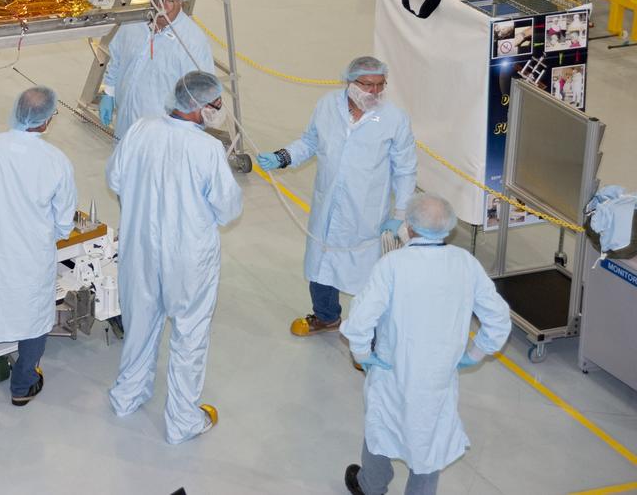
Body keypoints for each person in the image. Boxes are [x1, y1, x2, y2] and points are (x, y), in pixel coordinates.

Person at [341, 194, 511, 495]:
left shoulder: (393, 265)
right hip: (438, 377)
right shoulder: (465, 264)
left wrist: (362, 353)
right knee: (429, 442)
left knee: (381, 424)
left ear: (408, 226)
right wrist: (474, 354)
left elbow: (360, 319)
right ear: (448, 228)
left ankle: (372, 485)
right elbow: (498, 319)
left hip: (392, 370)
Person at [106, 70, 243, 444]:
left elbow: (115, 179)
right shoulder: (207, 150)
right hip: (189, 259)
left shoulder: (140, 130)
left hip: (140, 250)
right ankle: (183, 420)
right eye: (215, 104)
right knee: (189, 335)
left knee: (140, 323)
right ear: (199, 108)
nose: (219, 110)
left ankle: (127, 395)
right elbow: (228, 209)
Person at [256, 56, 417, 337]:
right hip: (328, 206)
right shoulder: (327, 105)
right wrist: (282, 157)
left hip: (365, 214)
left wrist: (400, 214)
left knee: (367, 281)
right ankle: (326, 316)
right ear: (350, 82)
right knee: (321, 266)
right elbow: (310, 142)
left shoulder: (394, 119)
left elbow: (405, 170)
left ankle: (365, 336)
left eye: (380, 85)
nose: (375, 92)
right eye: (367, 85)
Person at [0, 87, 77, 408]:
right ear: (46, 121)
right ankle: (22, 386)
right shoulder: (57, 162)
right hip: (32, 258)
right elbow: (64, 221)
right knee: (33, 320)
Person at [99, 0, 214, 140]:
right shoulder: (133, 22)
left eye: (170, 0)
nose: (162, 6)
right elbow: (117, 58)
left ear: (181, 1)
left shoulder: (192, 42)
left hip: (162, 135)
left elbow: (202, 93)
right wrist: (109, 92)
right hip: (125, 123)